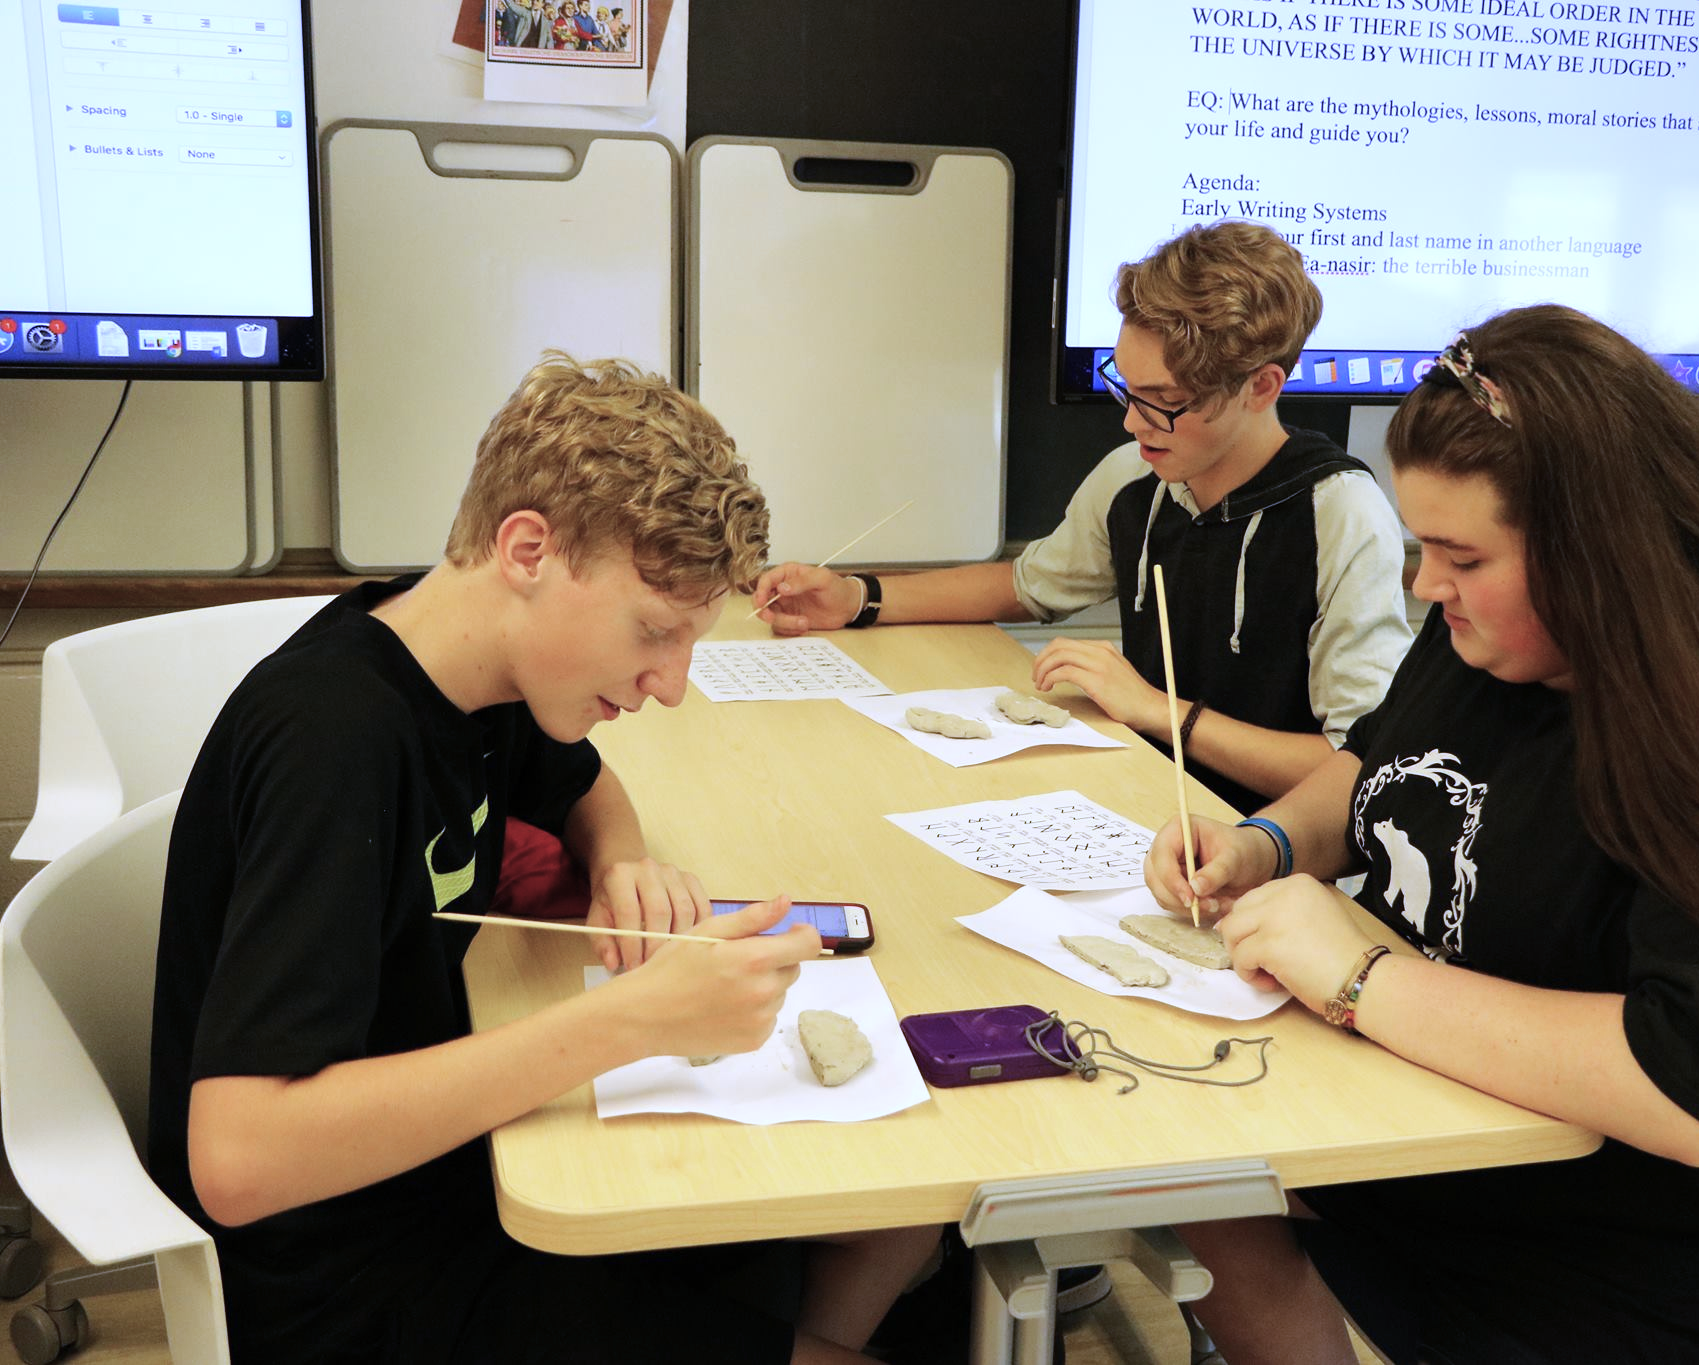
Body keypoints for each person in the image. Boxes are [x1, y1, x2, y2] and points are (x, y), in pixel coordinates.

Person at [1143, 305, 1699, 1365]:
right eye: (1423, 549)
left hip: (1639, 1270)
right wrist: (1267, 846)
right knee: (1182, 1169)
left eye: (1459, 556)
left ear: (1600, 553)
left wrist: (1358, 976)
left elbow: (1692, 1090)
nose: (1427, 585)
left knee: (1203, 1175)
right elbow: (1376, 766)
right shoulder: (1486, 637)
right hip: (1454, 1148)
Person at [148, 353, 938, 1365]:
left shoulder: (467, 663)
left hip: (453, 1175)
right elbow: (240, 1159)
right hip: (355, 1272)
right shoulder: (337, 745)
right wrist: (622, 1023)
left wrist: (620, 860)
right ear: (527, 549)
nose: (671, 687)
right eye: (653, 632)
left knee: (908, 1216)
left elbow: (582, 785)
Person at [753, 220, 1411, 816]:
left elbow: (1356, 767)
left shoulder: (1342, 518)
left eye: (1166, 401)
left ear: (1262, 386)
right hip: (1144, 807)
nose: (1132, 421)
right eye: (1124, 386)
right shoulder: (1137, 476)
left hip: (1270, 855)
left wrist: (1158, 712)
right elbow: (1025, 586)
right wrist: (858, 597)